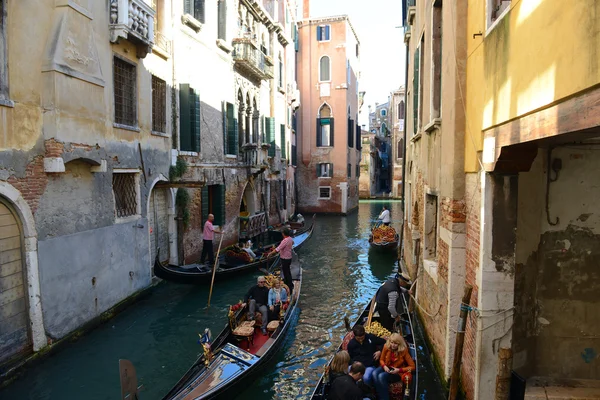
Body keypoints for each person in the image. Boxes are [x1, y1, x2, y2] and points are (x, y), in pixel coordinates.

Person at [372, 333, 415, 400]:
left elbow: (412, 366)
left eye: (395, 343)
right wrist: (384, 366)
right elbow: (381, 359)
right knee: (374, 373)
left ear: (399, 344)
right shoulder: (386, 346)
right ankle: (380, 396)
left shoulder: (404, 350)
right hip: (387, 366)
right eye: (392, 342)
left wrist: (399, 370)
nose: (393, 345)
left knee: (381, 376)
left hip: (397, 371)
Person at [268, 228, 294, 296]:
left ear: (283, 233)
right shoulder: (290, 238)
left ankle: (289, 287)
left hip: (285, 258)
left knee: (286, 272)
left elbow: (277, 249)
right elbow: (293, 243)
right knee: (287, 271)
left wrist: (270, 254)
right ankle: (290, 284)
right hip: (289, 257)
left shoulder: (285, 240)